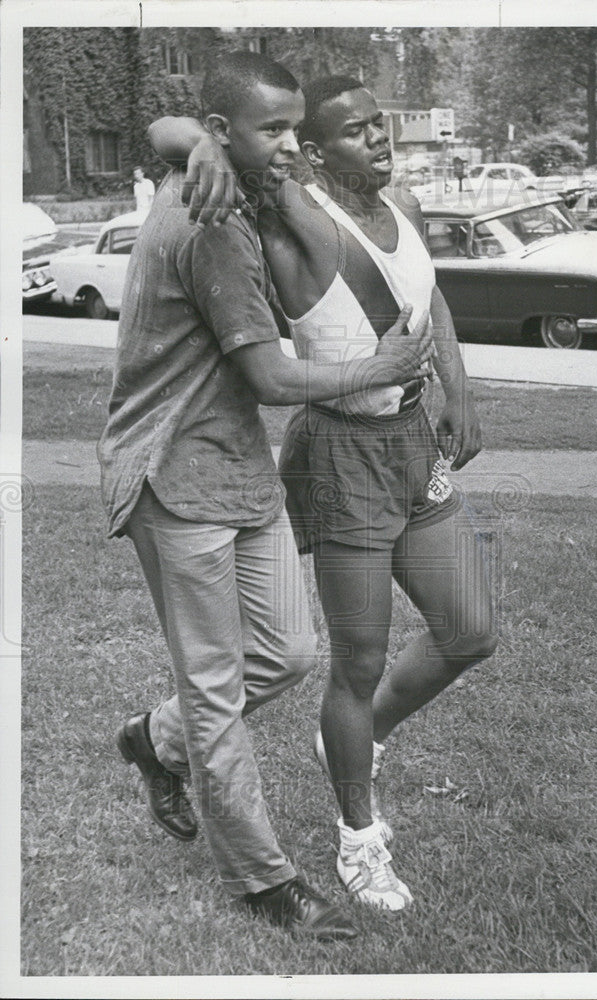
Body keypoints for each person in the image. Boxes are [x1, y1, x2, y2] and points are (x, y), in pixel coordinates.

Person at [102, 52, 433, 942]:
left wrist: (188, 139)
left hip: (239, 468)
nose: (291, 145)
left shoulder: (224, 176)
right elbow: (272, 375)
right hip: (174, 473)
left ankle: (150, 738)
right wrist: (390, 366)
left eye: (296, 127)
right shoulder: (211, 220)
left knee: (287, 654)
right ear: (226, 136)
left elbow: (174, 131)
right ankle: (264, 879)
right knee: (215, 685)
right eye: (273, 130)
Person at [150, 75, 498, 913]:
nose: (376, 140)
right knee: (359, 661)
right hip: (343, 453)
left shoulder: (402, 200)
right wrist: (198, 141)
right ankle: (358, 839)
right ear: (313, 149)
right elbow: (170, 129)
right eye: (353, 133)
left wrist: (457, 383)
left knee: (469, 629)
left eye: (379, 124)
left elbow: (427, 297)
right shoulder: (287, 205)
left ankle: (352, 738)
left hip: (414, 438)